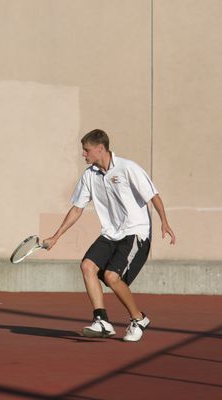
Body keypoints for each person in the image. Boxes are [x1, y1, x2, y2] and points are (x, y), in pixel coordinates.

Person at [43, 129, 176, 342]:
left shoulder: (128, 168)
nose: (83, 155)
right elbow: (77, 209)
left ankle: (138, 319)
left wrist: (164, 222)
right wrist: (56, 236)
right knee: (87, 265)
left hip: (136, 232)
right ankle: (102, 320)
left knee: (111, 277)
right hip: (110, 234)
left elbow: (153, 195)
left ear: (100, 148)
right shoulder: (89, 175)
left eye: (86, 151)